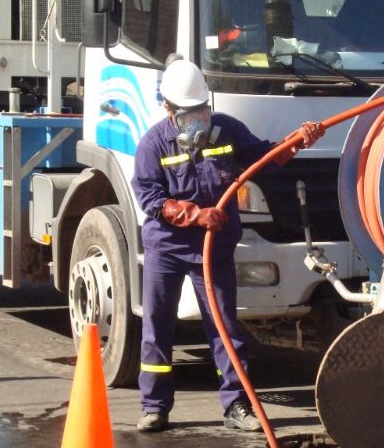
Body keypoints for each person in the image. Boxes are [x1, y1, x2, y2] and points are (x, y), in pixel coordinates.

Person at [130, 59, 324, 432]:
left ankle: (237, 404)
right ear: (168, 109)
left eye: (202, 109)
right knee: (157, 325)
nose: (197, 119)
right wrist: (195, 215)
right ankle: (154, 406)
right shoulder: (152, 143)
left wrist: (296, 143)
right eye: (188, 112)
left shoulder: (227, 131)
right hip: (167, 250)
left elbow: (263, 159)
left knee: (224, 327)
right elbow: (151, 199)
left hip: (214, 248)